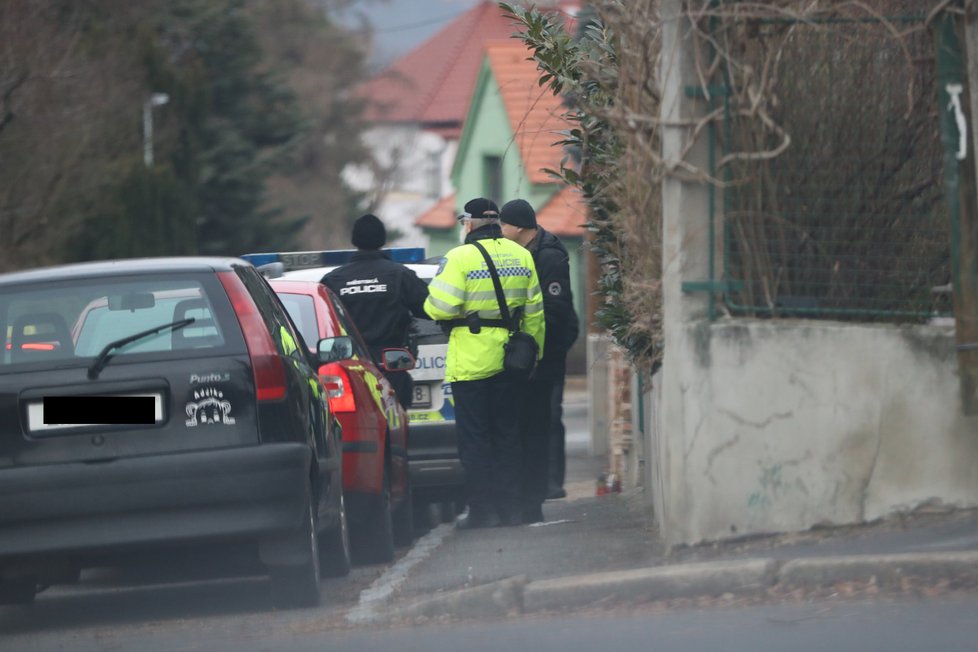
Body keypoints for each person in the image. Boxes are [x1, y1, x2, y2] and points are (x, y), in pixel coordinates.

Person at [424, 198, 545, 529]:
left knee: (476, 438)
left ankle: (483, 510)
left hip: (471, 363)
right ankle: (511, 509)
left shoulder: (459, 258)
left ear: (470, 223)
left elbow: (440, 308)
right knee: (508, 435)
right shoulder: (522, 255)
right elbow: (535, 312)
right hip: (511, 361)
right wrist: (534, 355)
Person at [499, 198, 579, 522]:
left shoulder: (548, 255)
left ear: (518, 226)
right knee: (530, 428)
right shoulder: (527, 251)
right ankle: (532, 494)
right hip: (532, 357)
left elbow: (555, 311)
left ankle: (544, 489)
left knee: (542, 426)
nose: (501, 232)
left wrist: (539, 353)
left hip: (545, 358)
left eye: (504, 225)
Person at [322, 213, 430, 410]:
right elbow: (431, 309)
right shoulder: (399, 275)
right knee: (395, 428)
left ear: (354, 240)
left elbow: (322, 324)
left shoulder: (333, 280)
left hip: (351, 370)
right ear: (382, 239)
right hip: (392, 367)